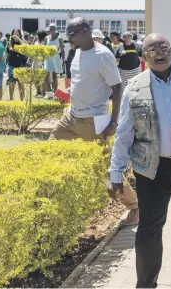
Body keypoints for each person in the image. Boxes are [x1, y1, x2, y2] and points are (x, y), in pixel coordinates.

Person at [109, 33, 171, 287]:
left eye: (163, 48)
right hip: (151, 168)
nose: (159, 53)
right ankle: (146, 282)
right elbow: (125, 133)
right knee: (150, 227)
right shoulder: (134, 87)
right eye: (152, 49)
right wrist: (115, 173)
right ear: (143, 56)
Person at [50, 17, 139, 226]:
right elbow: (82, 81)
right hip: (71, 115)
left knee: (104, 166)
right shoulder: (78, 52)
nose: (68, 39)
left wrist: (114, 122)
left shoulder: (103, 55)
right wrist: (69, 93)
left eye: (70, 35)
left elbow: (117, 87)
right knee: (52, 147)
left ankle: (135, 206)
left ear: (84, 31)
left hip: (92, 120)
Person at [6, 29, 28, 101]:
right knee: (11, 84)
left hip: (20, 66)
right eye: (14, 34)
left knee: (21, 84)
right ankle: (11, 99)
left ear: (20, 35)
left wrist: (18, 39)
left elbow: (26, 46)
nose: (15, 36)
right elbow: (7, 53)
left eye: (17, 34)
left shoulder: (22, 43)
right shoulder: (10, 43)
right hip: (11, 65)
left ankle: (22, 100)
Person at [44, 23, 65, 98]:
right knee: (45, 76)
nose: (51, 31)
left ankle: (55, 93)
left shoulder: (59, 38)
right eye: (50, 29)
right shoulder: (46, 38)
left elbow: (62, 50)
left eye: (53, 29)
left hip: (55, 58)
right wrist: (43, 58)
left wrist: (63, 60)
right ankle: (48, 93)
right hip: (47, 58)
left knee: (55, 76)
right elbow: (44, 49)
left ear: (55, 30)